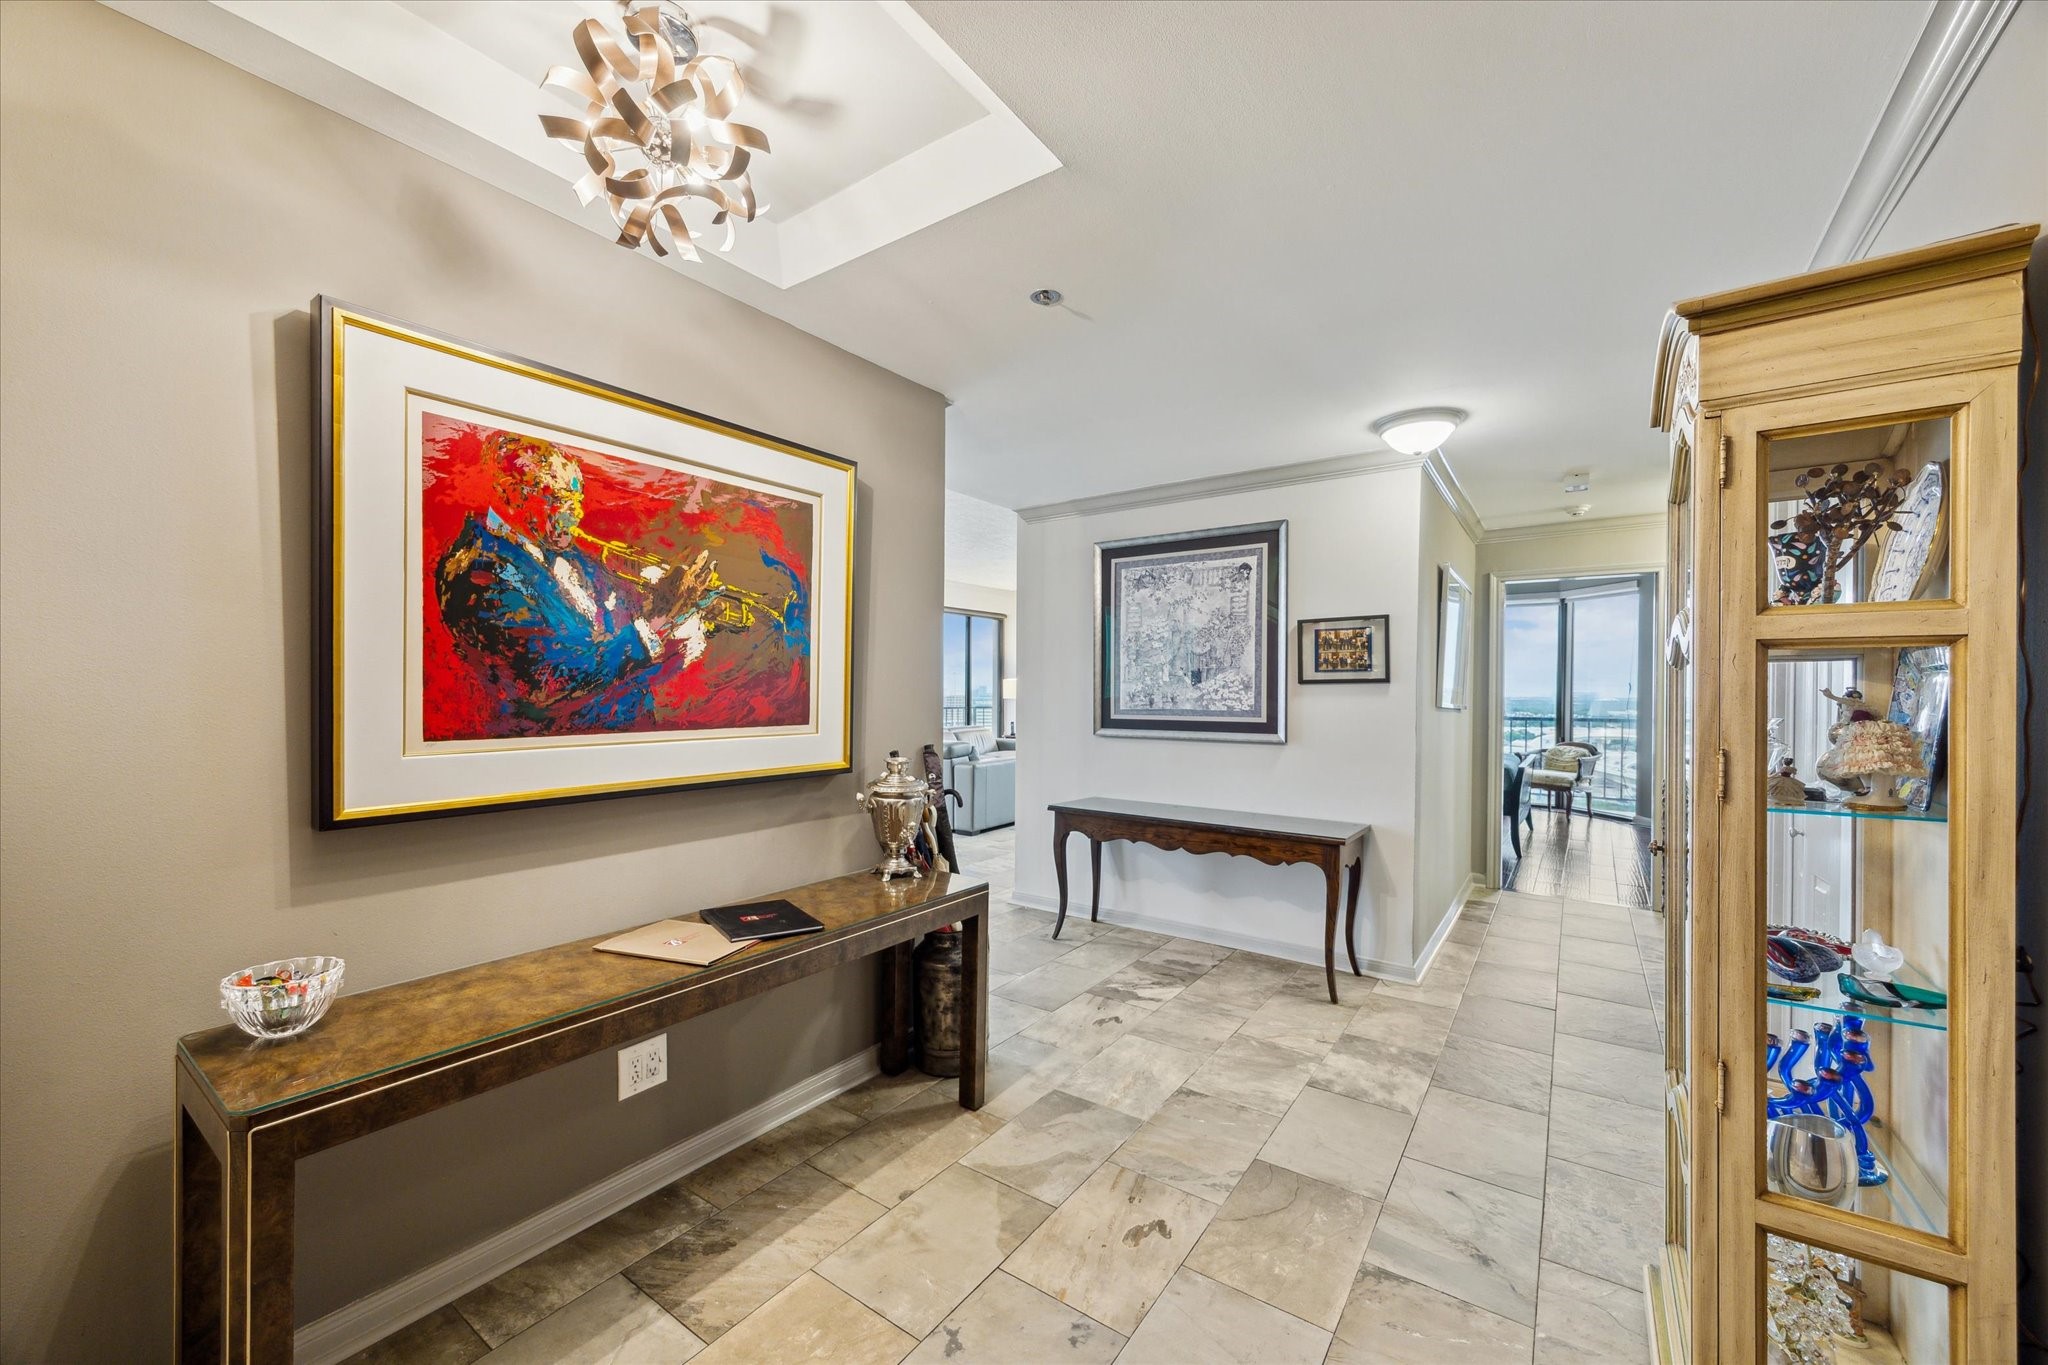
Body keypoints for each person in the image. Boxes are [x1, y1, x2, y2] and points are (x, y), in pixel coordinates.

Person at [435, 432, 718, 732]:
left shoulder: (564, 552)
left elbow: (623, 628)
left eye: (577, 502)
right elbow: (552, 682)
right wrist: (662, 615)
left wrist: (679, 611)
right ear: (511, 495)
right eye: (559, 501)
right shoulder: (477, 571)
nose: (576, 515)